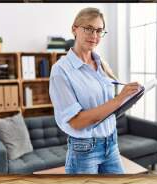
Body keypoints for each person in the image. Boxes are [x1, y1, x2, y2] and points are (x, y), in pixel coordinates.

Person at [49, 7, 140, 174]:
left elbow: (106, 108)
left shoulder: (101, 63)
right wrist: (118, 100)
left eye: (99, 30)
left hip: (111, 144)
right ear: (74, 29)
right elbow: (76, 122)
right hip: (84, 150)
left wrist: (127, 101)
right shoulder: (61, 71)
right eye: (89, 29)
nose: (95, 35)